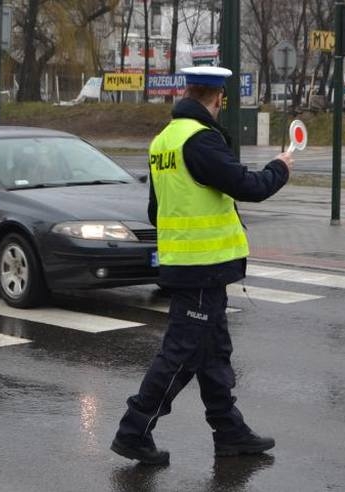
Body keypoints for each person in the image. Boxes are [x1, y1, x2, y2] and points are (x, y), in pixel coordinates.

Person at [111, 66, 294, 466]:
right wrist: (280, 167)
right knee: (180, 353)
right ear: (217, 100)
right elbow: (249, 186)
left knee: (214, 352)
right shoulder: (200, 140)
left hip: (189, 262)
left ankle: (229, 431)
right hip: (201, 265)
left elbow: (156, 208)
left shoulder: (164, 140)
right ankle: (134, 430)